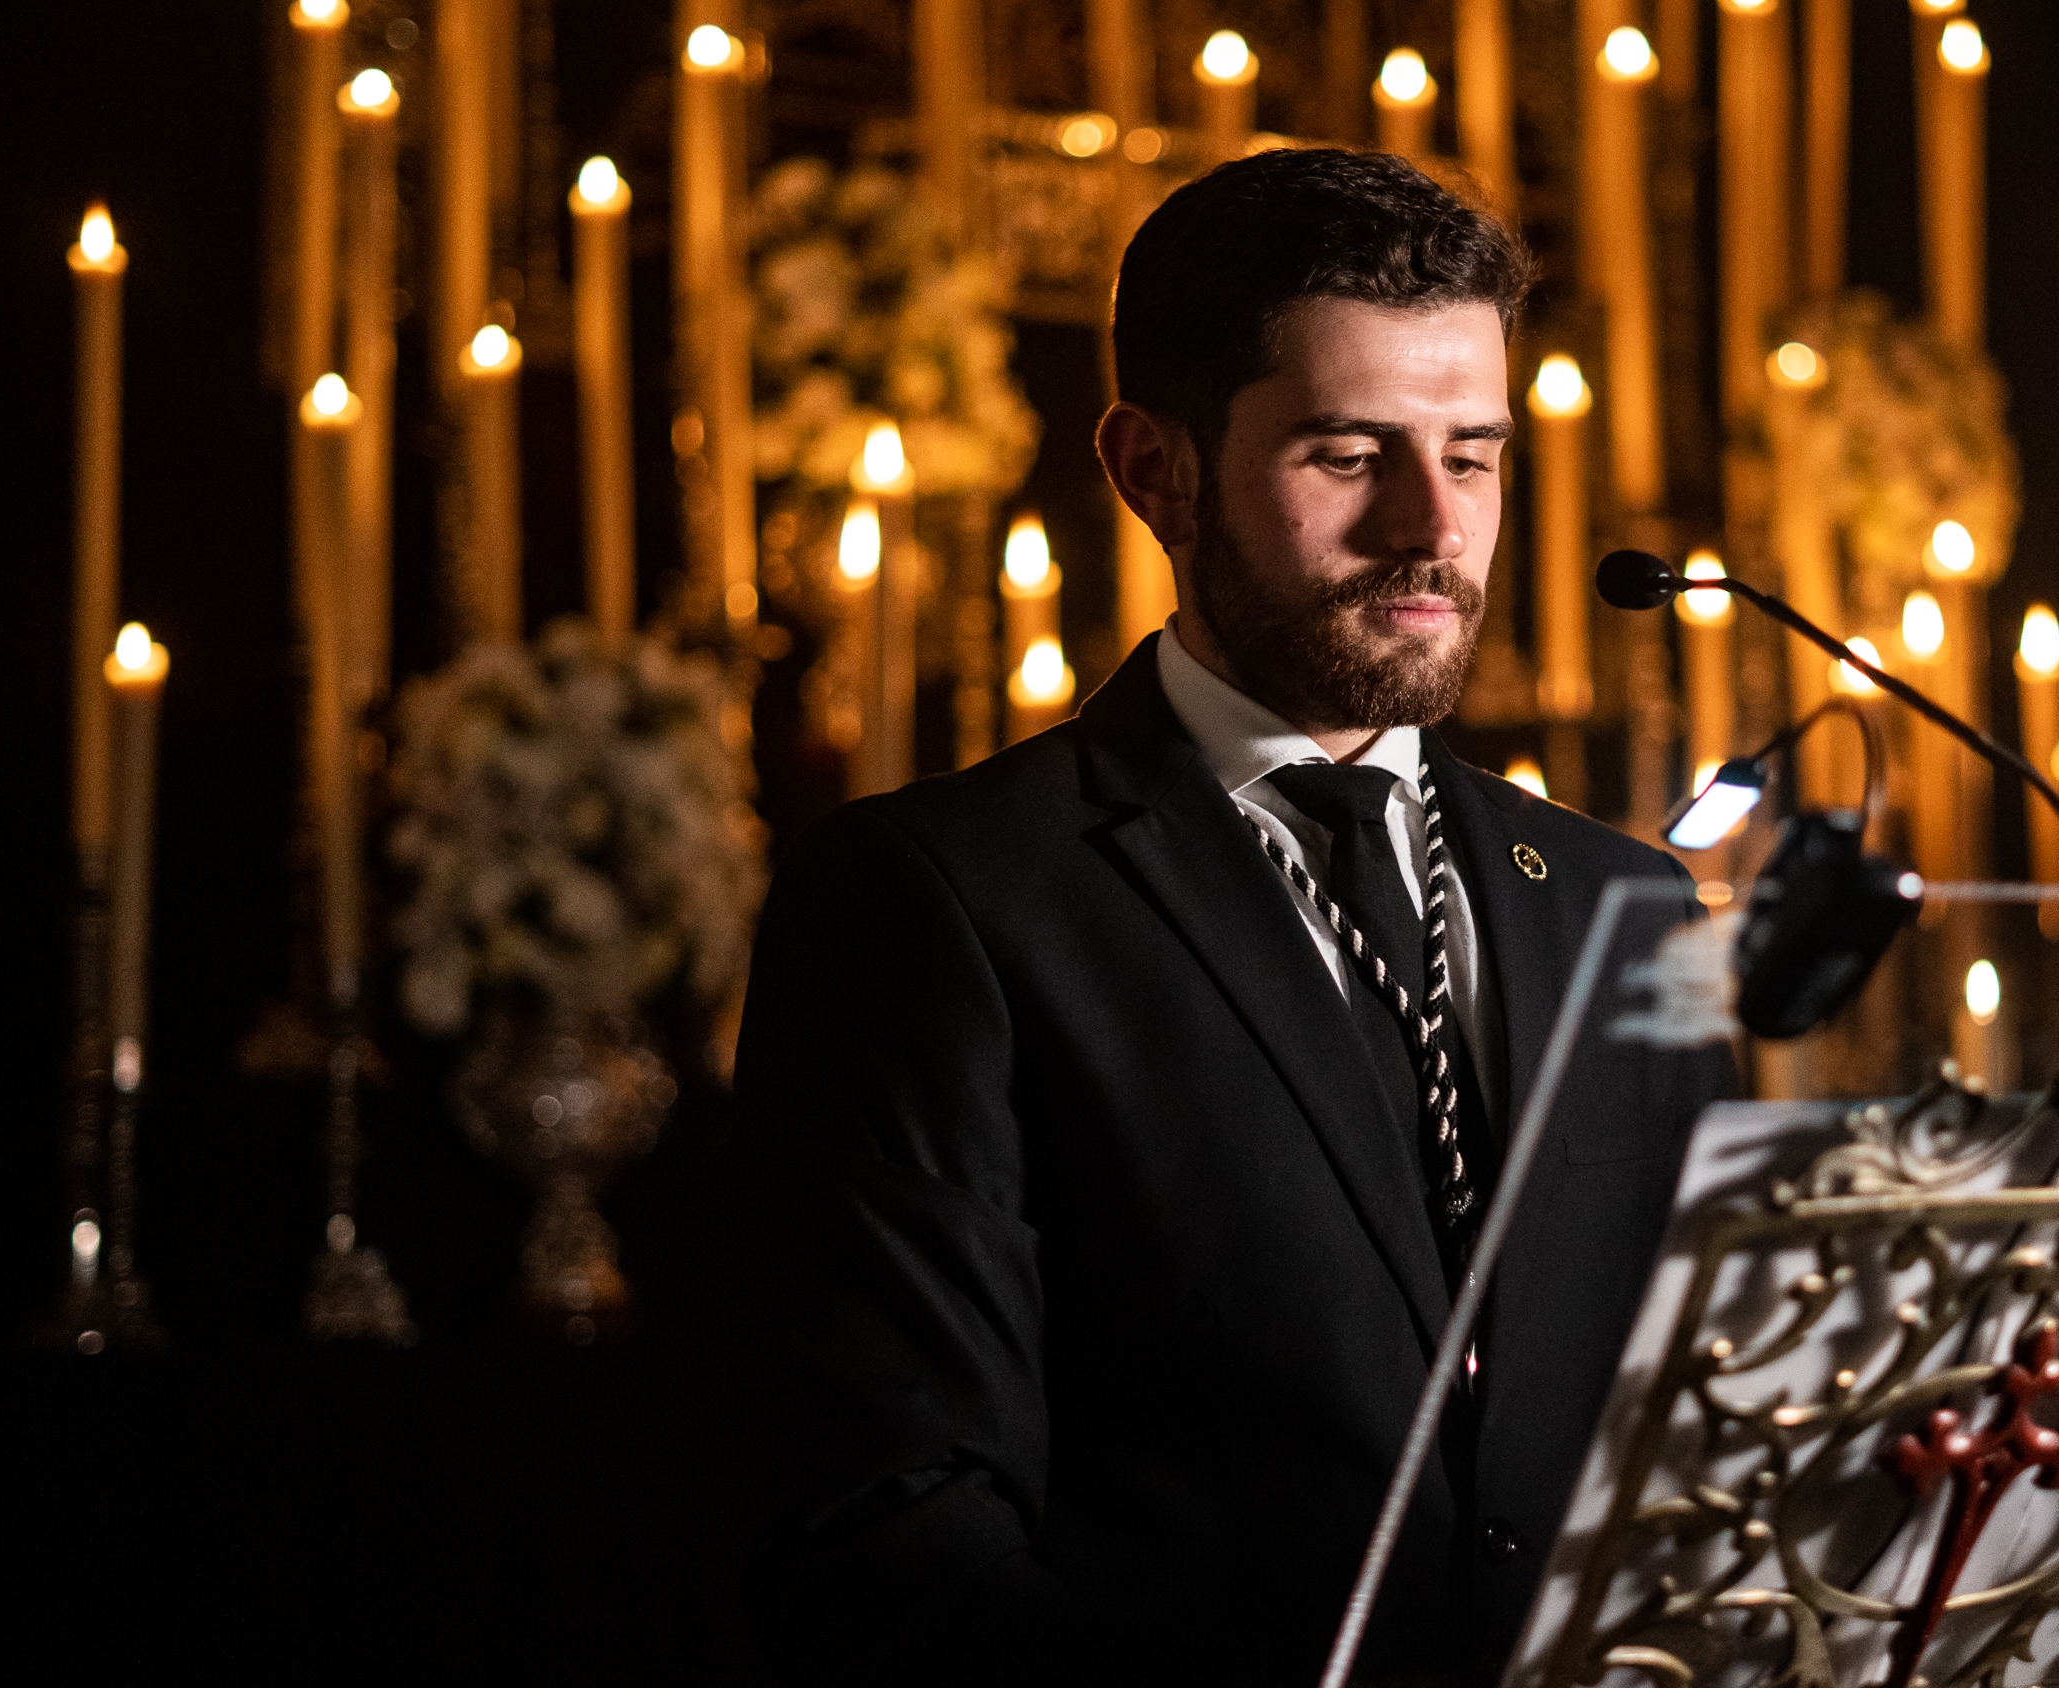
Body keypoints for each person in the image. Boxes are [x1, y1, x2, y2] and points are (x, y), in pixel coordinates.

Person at [734, 148, 1731, 1684]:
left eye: (1473, 455)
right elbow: (897, 1514)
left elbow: (1712, 1412)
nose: (1429, 527)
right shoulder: (936, 897)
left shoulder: (1630, 900)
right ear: (1154, 469)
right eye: (1347, 454)